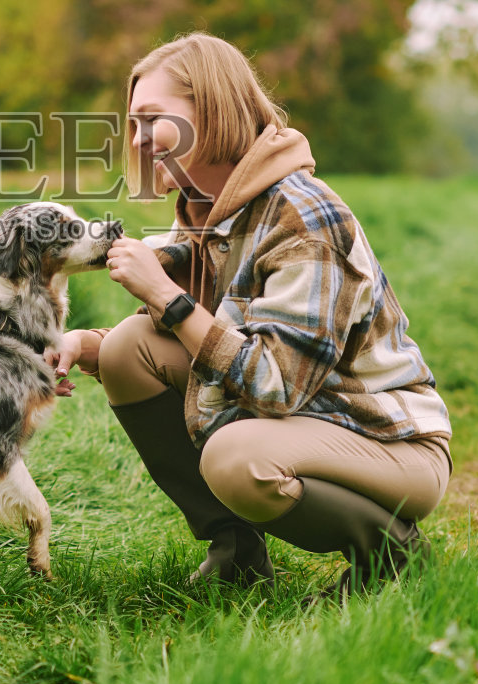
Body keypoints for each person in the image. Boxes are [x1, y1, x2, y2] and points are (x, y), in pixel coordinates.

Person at [44, 32, 453, 598]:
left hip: (387, 441)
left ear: (211, 113)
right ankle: (235, 551)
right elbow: (221, 333)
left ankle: (393, 561)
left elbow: (275, 385)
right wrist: (89, 346)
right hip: (317, 417)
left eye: (152, 118)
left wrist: (166, 295)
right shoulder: (209, 212)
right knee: (125, 350)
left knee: (236, 460)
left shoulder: (305, 217)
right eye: (131, 123)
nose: (137, 140)